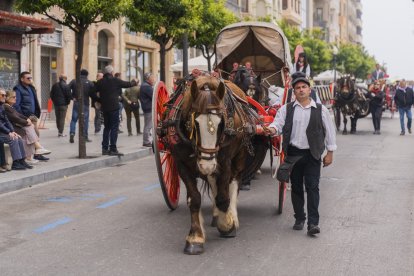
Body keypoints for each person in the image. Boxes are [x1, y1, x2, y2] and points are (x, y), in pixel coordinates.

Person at [266, 71, 337, 236]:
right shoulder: (286, 109)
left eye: (304, 87)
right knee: (296, 187)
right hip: (294, 154)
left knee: (313, 188)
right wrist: (270, 129)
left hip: (313, 154)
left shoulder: (321, 110)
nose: (301, 90)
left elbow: (330, 131)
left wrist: (330, 152)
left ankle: (313, 223)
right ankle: (299, 218)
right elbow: (277, 124)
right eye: (297, 88)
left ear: (309, 89)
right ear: (294, 91)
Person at [95, 65, 137, 156]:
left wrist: (99, 100)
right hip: (114, 107)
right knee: (114, 127)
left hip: (105, 108)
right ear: (111, 72)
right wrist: (135, 81)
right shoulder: (115, 80)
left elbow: (92, 91)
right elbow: (128, 84)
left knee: (107, 127)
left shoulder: (100, 82)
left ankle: (104, 148)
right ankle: (113, 148)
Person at [4, 90, 51, 164]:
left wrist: (27, 119)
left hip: (14, 127)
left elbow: (19, 115)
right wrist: (26, 122)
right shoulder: (6, 107)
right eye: (13, 97)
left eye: (15, 96)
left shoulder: (10, 107)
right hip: (11, 129)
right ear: (7, 98)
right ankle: (36, 149)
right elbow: (15, 118)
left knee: (29, 131)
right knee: (28, 129)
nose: (15, 98)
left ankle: (31, 155)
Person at [13, 71, 47, 161]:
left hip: (33, 116)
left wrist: (35, 114)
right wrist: (24, 117)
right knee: (32, 135)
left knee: (36, 134)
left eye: (31, 78)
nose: (30, 79)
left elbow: (35, 102)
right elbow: (16, 105)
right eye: (28, 78)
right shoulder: (18, 89)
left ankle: (37, 153)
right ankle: (34, 154)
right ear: (22, 79)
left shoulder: (31, 88)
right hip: (26, 117)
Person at [0, 88, 32, 170]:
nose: (4, 97)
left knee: (18, 137)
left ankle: (22, 160)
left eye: (5, 95)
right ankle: (16, 162)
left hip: (4, 131)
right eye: (2, 95)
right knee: (13, 139)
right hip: (1, 132)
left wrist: (12, 131)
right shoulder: (4, 106)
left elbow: (7, 121)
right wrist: (8, 132)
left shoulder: (2, 106)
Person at [69, 69, 94, 143]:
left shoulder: (74, 81)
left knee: (74, 120)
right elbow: (93, 93)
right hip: (85, 103)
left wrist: (71, 97)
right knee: (85, 120)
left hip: (76, 102)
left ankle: (72, 133)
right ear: (87, 75)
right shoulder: (89, 83)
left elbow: (67, 88)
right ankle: (85, 136)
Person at [140, 72, 155, 147]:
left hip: (146, 107)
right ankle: (146, 141)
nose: (153, 79)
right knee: (148, 125)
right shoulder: (146, 87)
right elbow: (154, 96)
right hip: (149, 108)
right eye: (152, 78)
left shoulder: (144, 85)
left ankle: (147, 140)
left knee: (147, 125)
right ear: (148, 79)